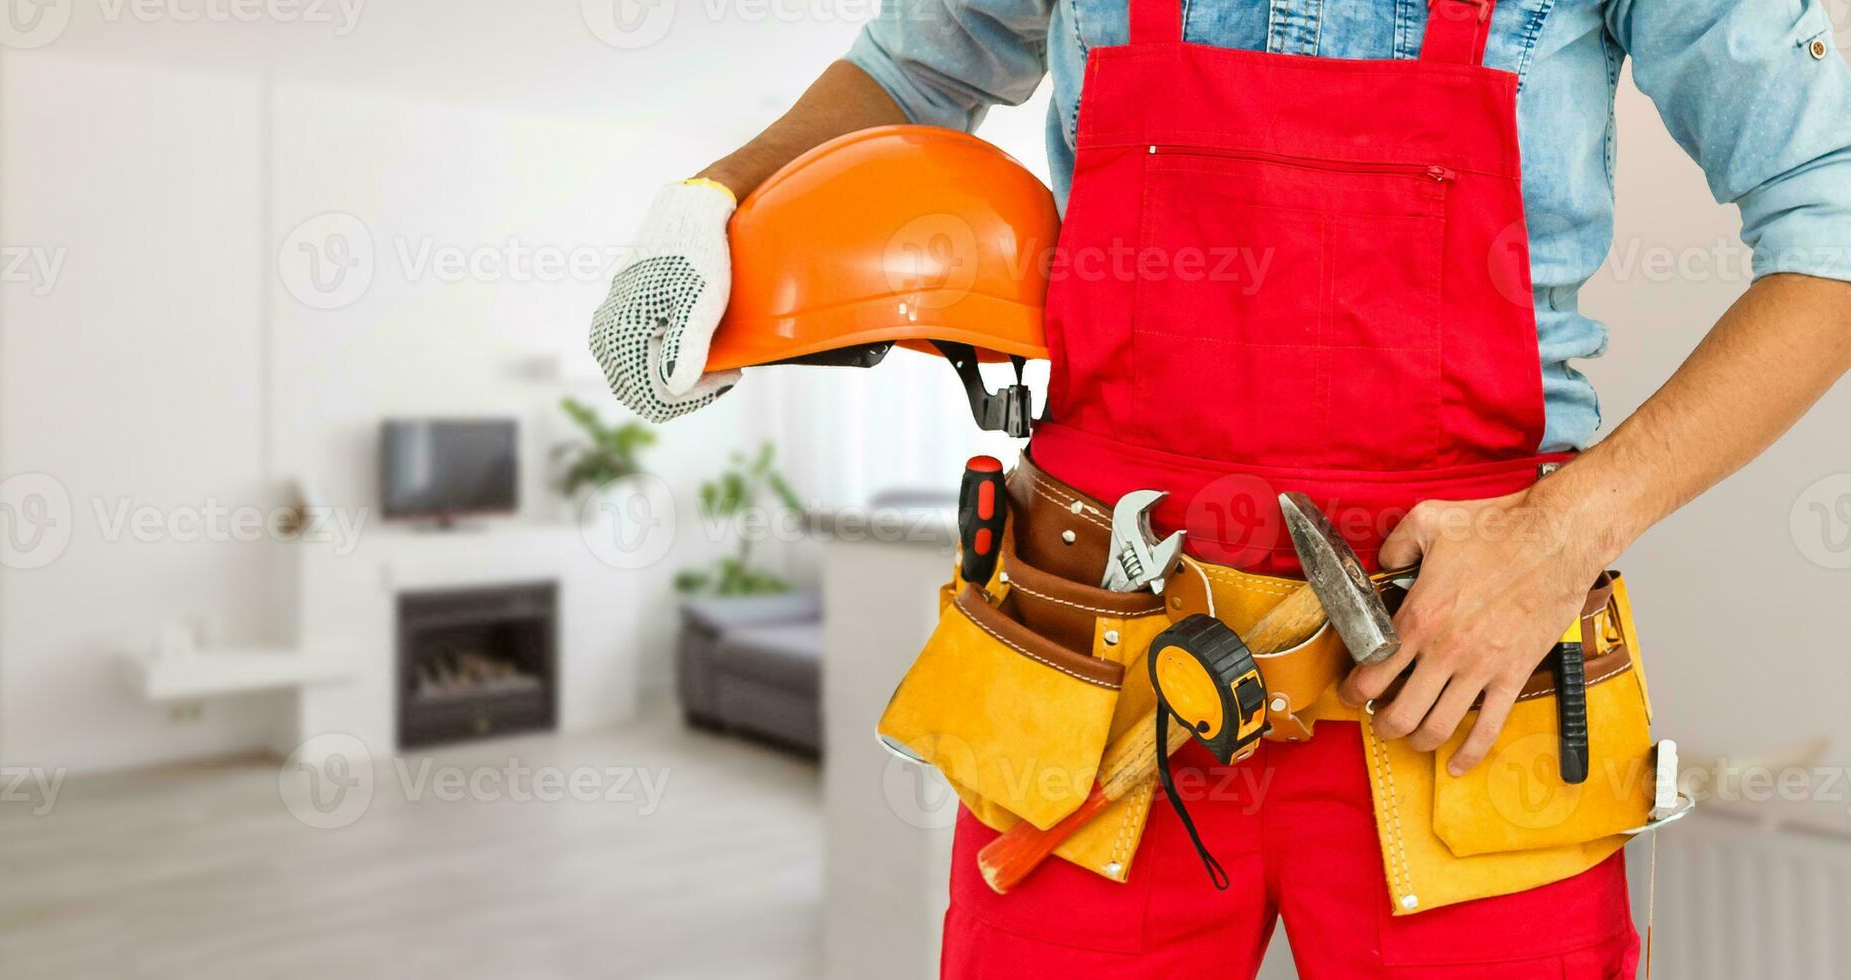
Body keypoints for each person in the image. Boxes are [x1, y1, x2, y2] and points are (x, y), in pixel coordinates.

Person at [588, 1, 1851, 977]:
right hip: (1098, 671)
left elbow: (1831, 221)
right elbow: (915, 65)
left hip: (1464, 674)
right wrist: (710, 202)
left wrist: (1564, 531)